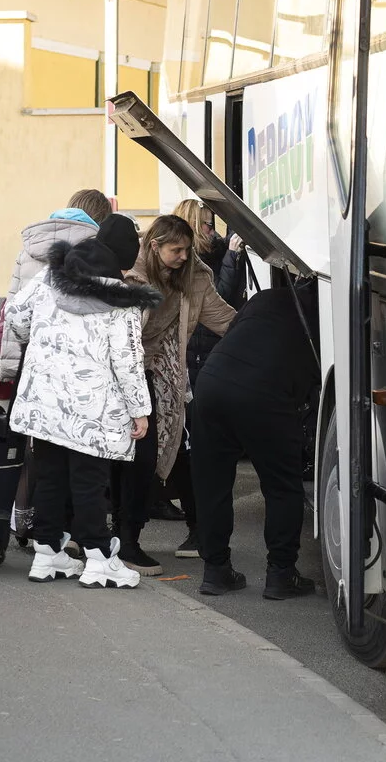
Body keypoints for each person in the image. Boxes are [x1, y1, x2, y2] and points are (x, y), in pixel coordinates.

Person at [5, 215, 161, 589]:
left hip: (45, 402)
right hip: (92, 408)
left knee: (50, 476)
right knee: (90, 481)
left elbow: (15, 315)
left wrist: (38, 338)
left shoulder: (50, 276)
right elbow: (128, 361)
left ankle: (47, 553)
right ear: (125, 257)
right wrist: (140, 410)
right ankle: (100, 558)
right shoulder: (122, 300)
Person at [117, 215, 238, 576]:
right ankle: (112, 539)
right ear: (154, 247)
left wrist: (258, 329)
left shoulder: (194, 278)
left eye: (187, 250)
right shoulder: (128, 275)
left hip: (160, 376)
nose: (184, 256)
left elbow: (223, 318)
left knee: (156, 456)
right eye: (177, 250)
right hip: (120, 375)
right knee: (126, 459)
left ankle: (131, 539)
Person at [190, 280, 320, 599]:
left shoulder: (265, 298)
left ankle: (215, 571)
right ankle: (281, 574)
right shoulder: (321, 315)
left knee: (212, 485)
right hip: (265, 393)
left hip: (211, 383)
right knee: (281, 486)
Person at [161, 200, 248, 554]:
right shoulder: (191, 270)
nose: (213, 230)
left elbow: (222, 310)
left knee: (194, 449)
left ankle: (200, 530)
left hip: (195, 363)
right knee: (190, 449)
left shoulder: (198, 266)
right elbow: (221, 300)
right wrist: (231, 259)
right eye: (207, 224)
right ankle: (199, 531)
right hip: (190, 363)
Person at [0, 189, 114, 397]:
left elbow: (13, 304)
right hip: (73, 364)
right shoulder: (97, 253)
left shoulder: (30, 247)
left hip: (28, 356)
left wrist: (12, 362)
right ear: (103, 219)